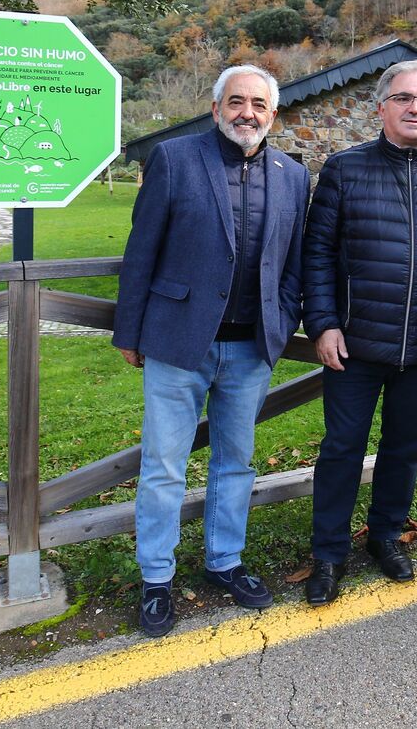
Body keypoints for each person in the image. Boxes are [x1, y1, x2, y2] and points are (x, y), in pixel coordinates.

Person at [113, 64, 311, 638]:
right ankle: (156, 578)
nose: (246, 112)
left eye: (258, 104)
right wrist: (129, 332)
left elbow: (294, 262)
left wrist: (285, 316)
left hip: (251, 349)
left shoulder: (293, 175)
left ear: (272, 114)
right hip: (178, 344)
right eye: (236, 101)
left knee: (236, 463)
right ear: (217, 105)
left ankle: (226, 562)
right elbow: (141, 251)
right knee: (163, 468)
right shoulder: (174, 160)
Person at [300, 60, 417, 605]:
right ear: (381, 106)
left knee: (403, 448)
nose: (416, 108)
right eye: (404, 98)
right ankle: (330, 552)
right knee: (342, 448)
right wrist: (323, 322)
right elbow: (316, 253)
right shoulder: (344, 169)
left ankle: (386, 535)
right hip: (355, 344)